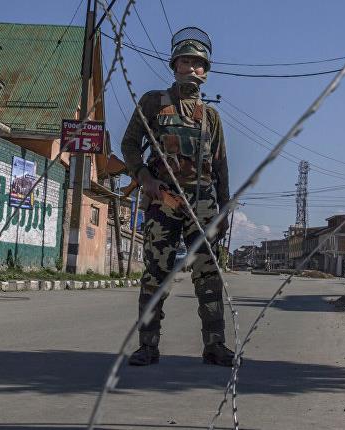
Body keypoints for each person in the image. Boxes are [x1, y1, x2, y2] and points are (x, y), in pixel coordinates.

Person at [120, 27, 234, 367]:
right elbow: (129, 144)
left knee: (208, 276)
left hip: (202, 202)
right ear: (174, 65)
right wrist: (144, 178)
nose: (192, 69)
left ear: (206, 71)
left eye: (199, 64)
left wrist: (224, 210)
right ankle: (147, 345)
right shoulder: (153, 102)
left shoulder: (211, 117)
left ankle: (215, 345)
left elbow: (221, 166)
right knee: (156, 273)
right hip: (163, 201)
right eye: (186, 61)